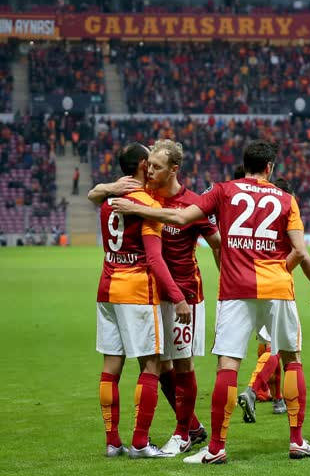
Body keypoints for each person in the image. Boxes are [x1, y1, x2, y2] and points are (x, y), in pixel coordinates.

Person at [110, 140, 310, 463]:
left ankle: (216, 448)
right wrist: (292, 276)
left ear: (244, 164)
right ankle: (296, 441)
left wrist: (137, 209)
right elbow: (300, 251)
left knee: (228, 364)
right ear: (269, 168)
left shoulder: (223, 190)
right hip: (278, 286)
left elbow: (181, 218)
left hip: (235, 286)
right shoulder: (286, 199)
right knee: (291, 359)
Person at [88, 139, 221, 455]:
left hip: (183, 293)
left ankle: (183, 432)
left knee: (182, 365)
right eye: (149, 165)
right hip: (148, 293)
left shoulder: (191, 203)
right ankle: (188, 427)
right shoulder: (143, 194)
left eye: (157, 167)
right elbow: (96, 195)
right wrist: (109, 187)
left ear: (173, 169)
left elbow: (217, 243)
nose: (150, 171)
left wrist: (225, 280)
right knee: (157, 366)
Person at [237, 177, 297, 421]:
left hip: (248, 284)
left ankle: (276, 397)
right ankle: (253, 389)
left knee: (267, 345)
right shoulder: (285, 214)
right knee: (280, 347)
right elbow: (300, 252)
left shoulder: (256, 212)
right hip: (274, 287)